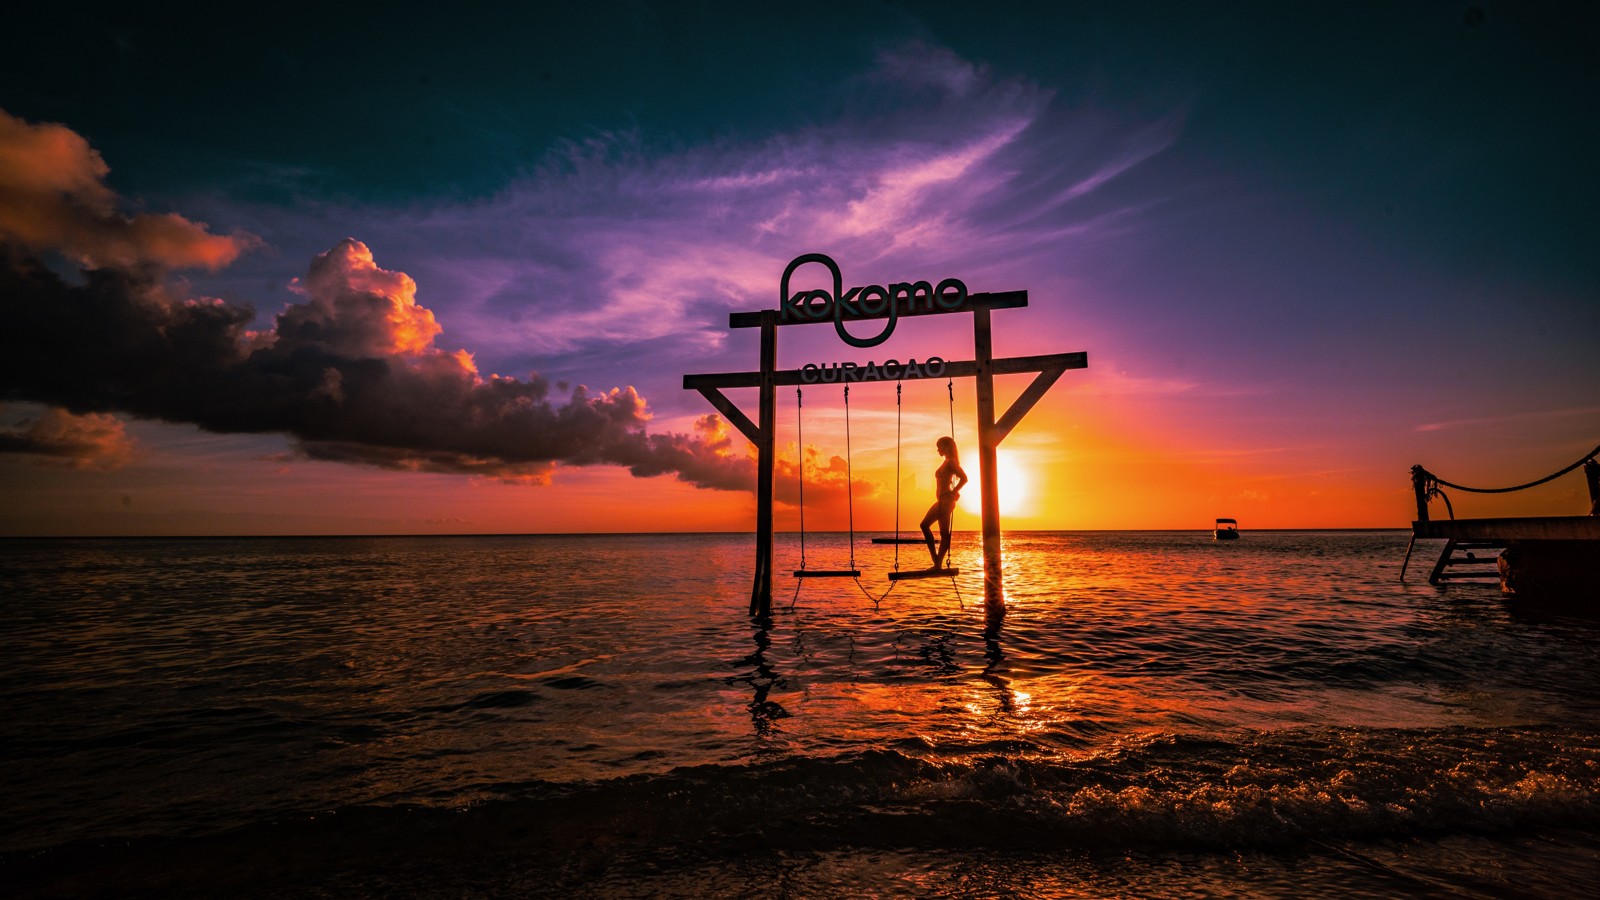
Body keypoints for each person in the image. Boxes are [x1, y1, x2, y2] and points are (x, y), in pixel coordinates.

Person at [920, 436, 968, 570]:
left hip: (946, 500)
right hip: (942, 500)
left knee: (928, 526)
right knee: (938, 531)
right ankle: (937, 562)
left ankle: (937, 563)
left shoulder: (951, 462)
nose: (938, 450)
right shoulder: (946, 461)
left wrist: (954, 492)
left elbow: (964, 478)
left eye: (939, 446)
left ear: (947, 447)